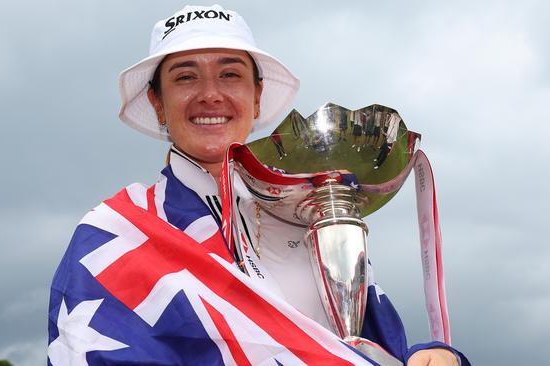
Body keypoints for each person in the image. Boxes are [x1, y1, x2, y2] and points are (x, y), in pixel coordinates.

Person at [47, 5, 469, 365]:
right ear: (158, 101)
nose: (210, 95)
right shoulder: (115, 233)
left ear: (257, 95)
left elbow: (362, 348)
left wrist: (428, 354)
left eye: (230, 75)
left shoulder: (312, 212)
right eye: (185, 77)